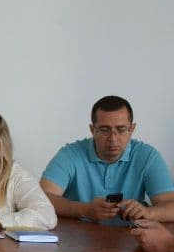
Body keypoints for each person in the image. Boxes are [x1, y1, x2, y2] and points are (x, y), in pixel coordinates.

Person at [40, 96, 174, 223]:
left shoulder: (148, 156)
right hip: (77, 235)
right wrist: (84, 210)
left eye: (121, 129)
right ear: (92, 130)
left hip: (131, 234)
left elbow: (170, 206)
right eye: (105, 130)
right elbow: (40, 199)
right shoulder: (70, 154)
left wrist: (148, 212)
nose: (113, 138)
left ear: (132, 129)